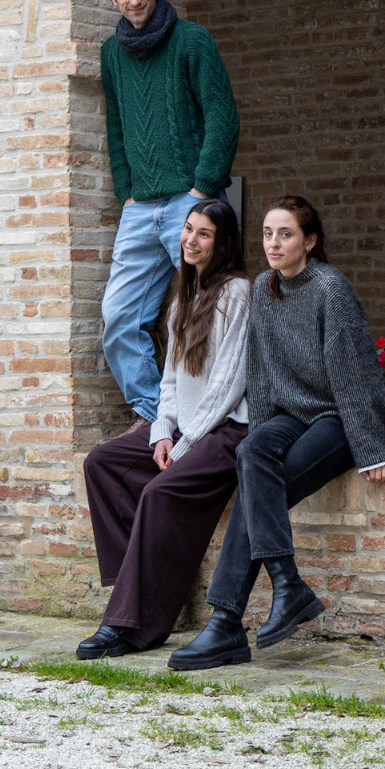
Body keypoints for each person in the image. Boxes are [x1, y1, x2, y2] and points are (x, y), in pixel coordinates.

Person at [169, 196, 385, 671]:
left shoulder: (330, 290)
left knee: (256, 496)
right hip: (292, 415)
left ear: (309, 241)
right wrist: (265, 430)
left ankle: (226, 622)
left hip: (336, 416)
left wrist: (372, 448)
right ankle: (287, 584)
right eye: (268, 234)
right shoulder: (265, 289)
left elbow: (353, 374)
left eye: (286, 234)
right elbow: (265, 373)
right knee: (253, 451)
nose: (274, 243)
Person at [78, 198, 251, 659]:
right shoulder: (183, 295)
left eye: (204, 234)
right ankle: (141, 591)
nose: (191, 240)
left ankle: (132, 625)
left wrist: (187, 442)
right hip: (187, 431)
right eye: (188, 230)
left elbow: (229, 383)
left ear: (223, 242)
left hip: (226, 432)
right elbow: (172, 378)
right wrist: (161, 433)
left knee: (157, 492)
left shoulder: (237, 293)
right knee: (104, 462)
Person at [98, 0, 240, 431]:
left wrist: (203, 189)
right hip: (141, 207)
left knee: (207, 313)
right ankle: (149, 410)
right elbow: (116, 128)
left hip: (190, 200)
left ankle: (216, 413)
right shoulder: (111, 55)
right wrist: (126, 191)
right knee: (118, 317)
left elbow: (222, 117)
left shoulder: (192, 40)